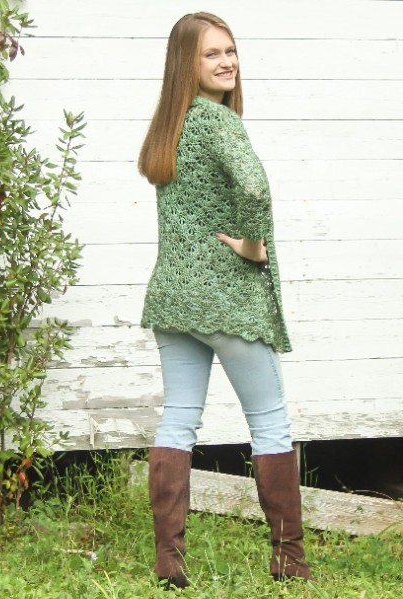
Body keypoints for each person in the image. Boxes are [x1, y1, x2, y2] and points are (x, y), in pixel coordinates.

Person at [138, 12, 312, 590]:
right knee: (269, 424)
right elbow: (256, 186)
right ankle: (289, 562)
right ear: (185, 63)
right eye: (211, 54)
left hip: (173, 298)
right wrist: (253, 244)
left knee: (178, 420)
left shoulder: (170, 127)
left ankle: (170, 565)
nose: (226, 62)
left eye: (230, 51)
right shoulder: (217, 123)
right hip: (226, 300)